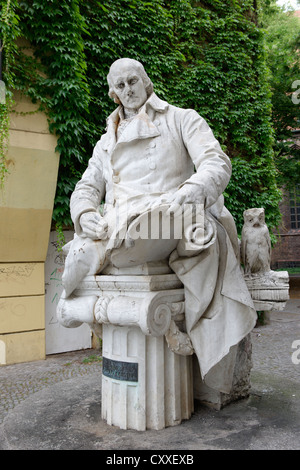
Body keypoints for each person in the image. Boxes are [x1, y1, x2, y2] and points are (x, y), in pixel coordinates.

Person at [58, 58, 257, 392]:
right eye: (119, 86)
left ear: (146, 81)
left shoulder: (181, 119)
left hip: (165, 217)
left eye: (133, 81)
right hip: (113, 225)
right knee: (77, 258)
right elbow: (87, 187)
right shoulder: (106, 141)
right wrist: (84, 213)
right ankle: (93, 273)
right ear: (113, 93)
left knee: (147, 231)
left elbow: (215, 162)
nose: (128, 90)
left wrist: (194, 189)